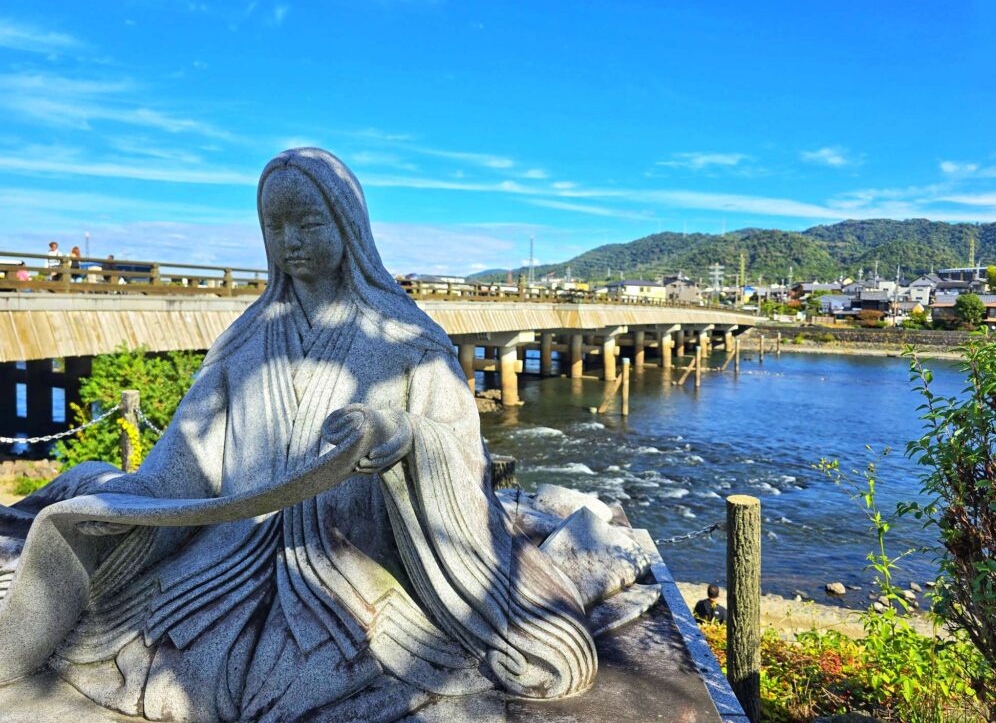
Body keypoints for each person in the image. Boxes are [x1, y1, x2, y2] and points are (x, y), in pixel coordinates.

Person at [0, 148, 597, 722]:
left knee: (303, 678)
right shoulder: (246, 339)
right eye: (276, 226)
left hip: (349, 558)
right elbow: (190, 453)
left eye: (308, 223)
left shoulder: (408, 339)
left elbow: (461, 455)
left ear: (348, 225)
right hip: (232, 550)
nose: (292, 242)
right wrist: (138, 499)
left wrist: (406, 437)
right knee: (148, 647)